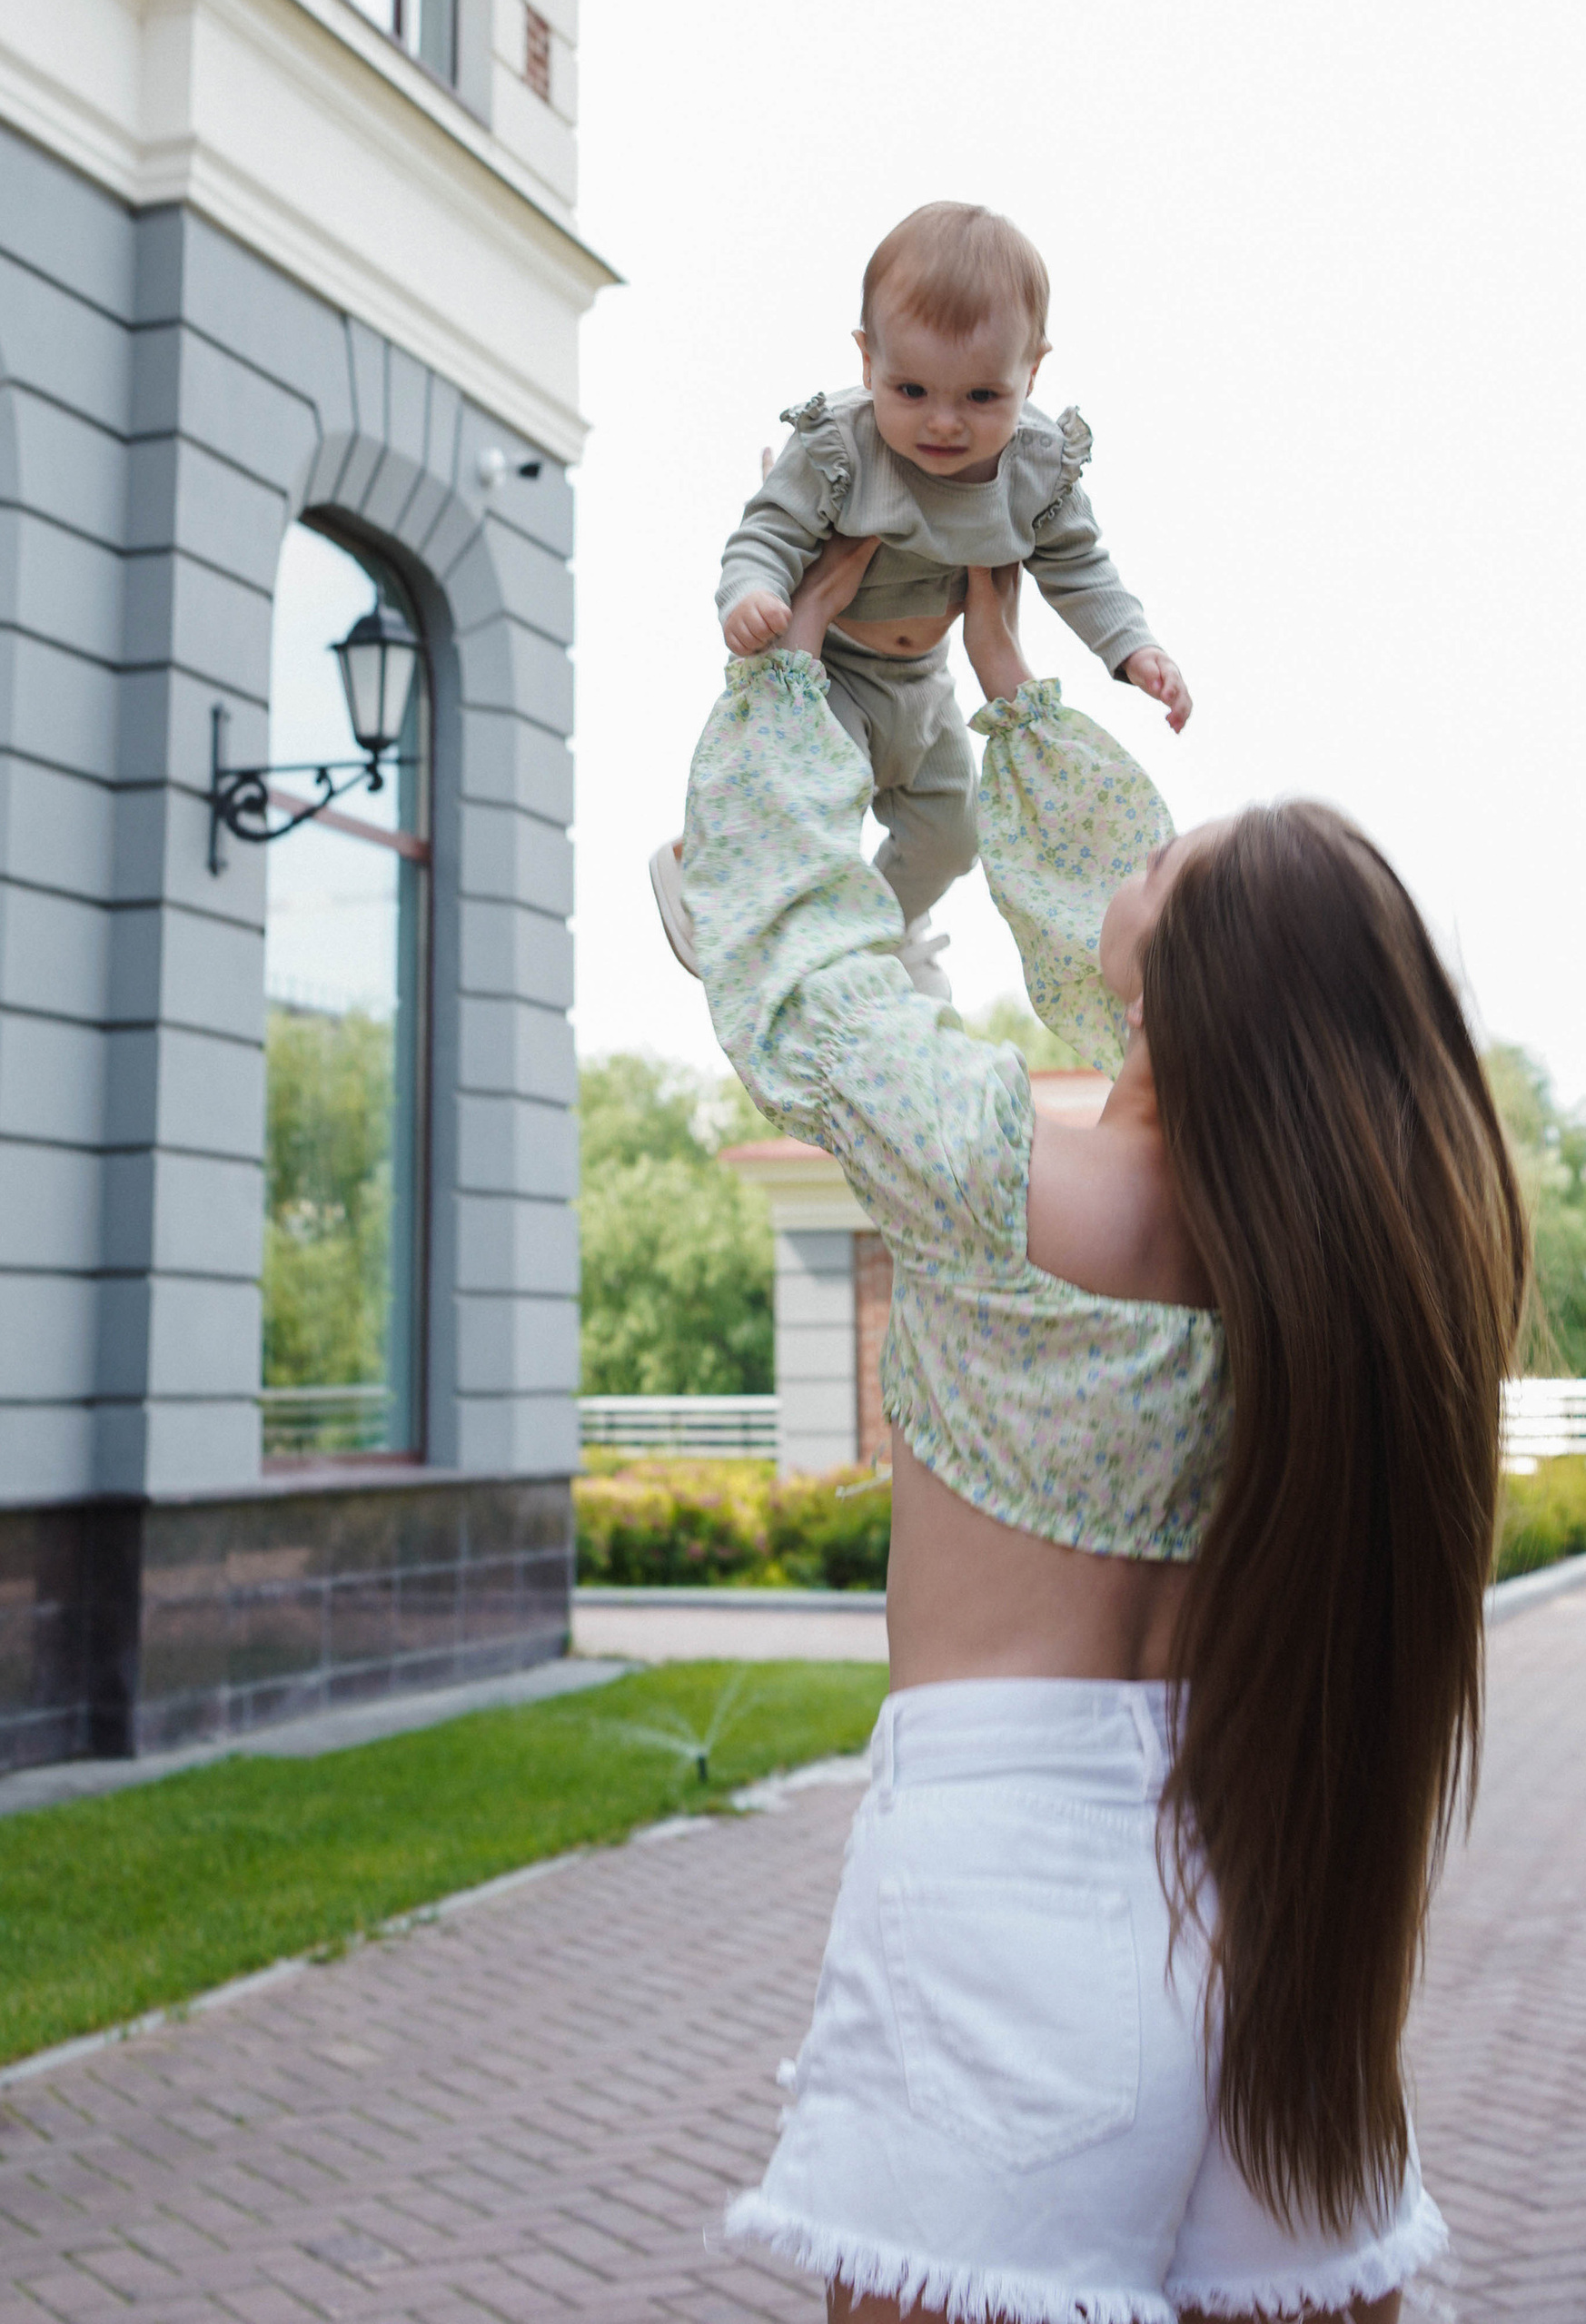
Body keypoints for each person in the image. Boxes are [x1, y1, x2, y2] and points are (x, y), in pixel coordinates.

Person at [683, 535, 1529, 2324]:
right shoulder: (1320, 1268)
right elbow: (1113, 951)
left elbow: (796, 961)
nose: (1124, 862)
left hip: (1007, 1897)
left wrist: (782, 673)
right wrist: (1005, 689)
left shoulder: (1003, 1177)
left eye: (1158, 861)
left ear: (1179, 988)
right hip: (1268, 1898)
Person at [650, 201, 1189, 1002]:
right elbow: (766, 530)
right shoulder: (841, 445)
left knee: (952, 835)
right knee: (811, 807)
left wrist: (1133, 647)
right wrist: (753, 595)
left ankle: (884, 931)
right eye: (911, 389)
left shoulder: (1038, 468)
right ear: (867, 361)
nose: (943, 423)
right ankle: (704, 859)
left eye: (981, 397)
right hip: (831, 671)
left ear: (1031, 374)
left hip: (928, 686)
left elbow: (1082, 568)